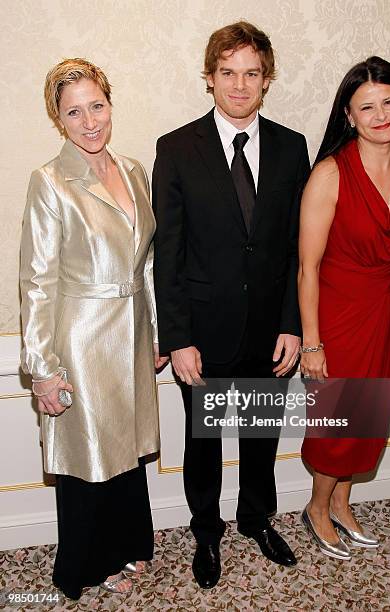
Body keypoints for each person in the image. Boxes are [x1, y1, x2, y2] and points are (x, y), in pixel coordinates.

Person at [153, 21, 310, 588]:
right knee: (204, 444)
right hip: (203, 334)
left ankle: (256, 518)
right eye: (228, 73)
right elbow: (167, 253)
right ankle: (206, 530)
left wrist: (294, 324)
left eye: (251, 73)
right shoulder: (175, 148)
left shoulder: (293, 148)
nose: (239, 85)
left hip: (271, 331)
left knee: (261, 439)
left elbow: (298, 247)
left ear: (266, 80)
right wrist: (177, 338)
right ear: (210, 78)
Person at [20, 58, 168, 599]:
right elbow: (36, 281)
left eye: (97, 106)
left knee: (125, 449)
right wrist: (42, 368)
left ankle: (129, 546)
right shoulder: (50, 181)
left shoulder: (132, 170)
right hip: (81, 339)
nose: (89, 122)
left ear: (110, 104)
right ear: (58, 120)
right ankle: (85, 564)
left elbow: (145, 259)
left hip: (131, 331)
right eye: (74, 112)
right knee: (88, 457)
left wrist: (155, 331)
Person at [298, 56, 390, 560]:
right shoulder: (330, 174)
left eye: (389, 102)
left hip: (386, 313)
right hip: (338, 316)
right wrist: (312, 341)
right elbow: (308, 267)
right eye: (366, 106)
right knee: (339, 422)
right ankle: (316, 506)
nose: (380, 114)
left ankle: (344, 503)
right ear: (348, 116)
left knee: (370, 418)